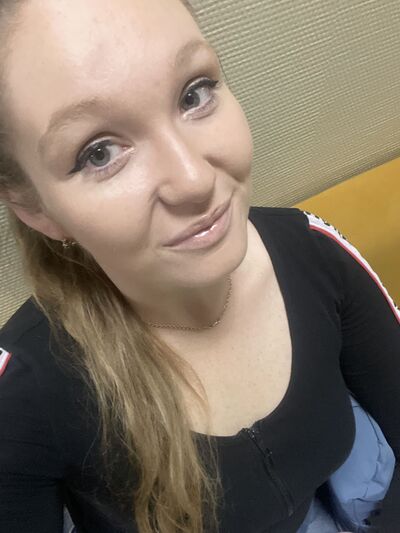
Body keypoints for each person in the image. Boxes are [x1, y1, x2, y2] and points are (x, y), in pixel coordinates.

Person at [0, 0, 399, 532]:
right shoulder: (23, 393)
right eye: (99, 153)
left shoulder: (315, 252)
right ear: (36, 209)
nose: (194, 180)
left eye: (194, 93)